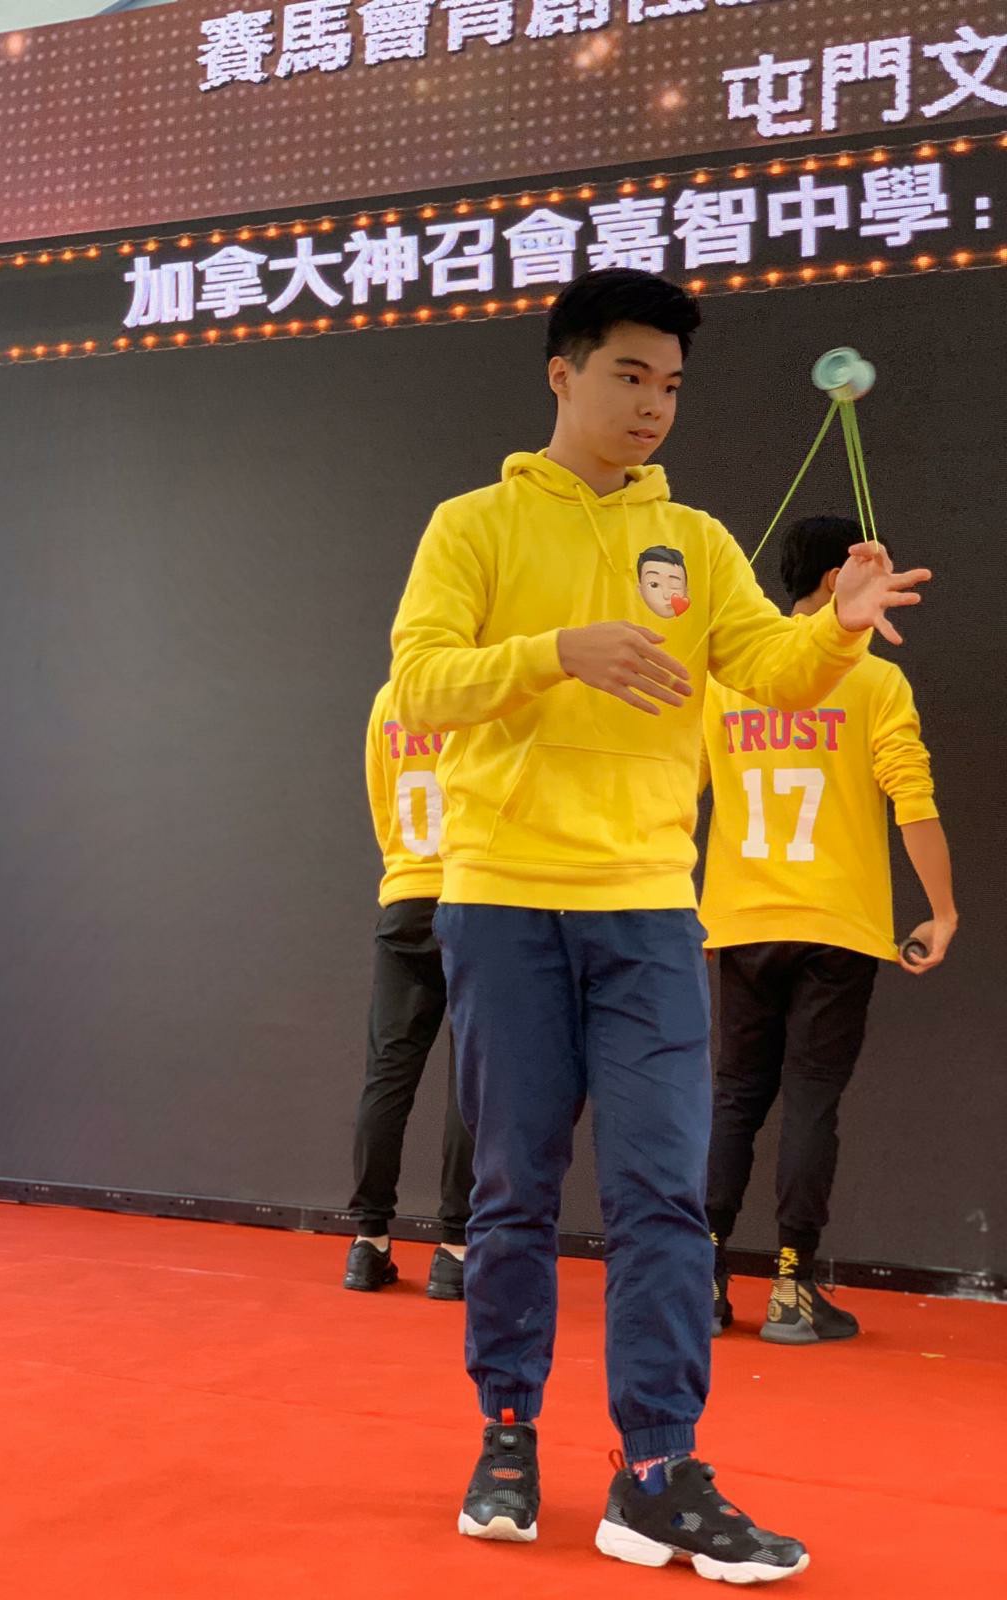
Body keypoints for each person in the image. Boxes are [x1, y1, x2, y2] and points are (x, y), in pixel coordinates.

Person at [388, 268, 929, 1582]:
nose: (652, 405)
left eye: (672, 386)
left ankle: (656, 1471)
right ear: (563, 372)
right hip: (503, 900)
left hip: (645, 910)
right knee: (513, 1188)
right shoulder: (473, 526)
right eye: (629, 375)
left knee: (663, 1199)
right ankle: (506, 1433)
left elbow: (770, 669)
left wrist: (840, 631)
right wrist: (554, 652)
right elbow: (420, 683)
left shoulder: (695, 541)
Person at [700, 516, 956, 1345]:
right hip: (838, 929)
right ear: (843, 575)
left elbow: (675, 789)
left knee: (734, 1098)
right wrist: (943, 911)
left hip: (740, 921)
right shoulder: (874, 682)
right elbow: (912, 798)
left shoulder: (726, 680)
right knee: (811, 1099)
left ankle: (700, 1279)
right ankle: (791, 1288)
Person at [344, 681, 475, 1300]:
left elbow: (380, 801)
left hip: (403, 896)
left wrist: (404, 868)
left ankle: (367, 1244)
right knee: (469, 1078)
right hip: (473, 897)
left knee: (387, 1075)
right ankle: (455, 1249)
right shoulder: (479, 691)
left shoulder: (388, 700)